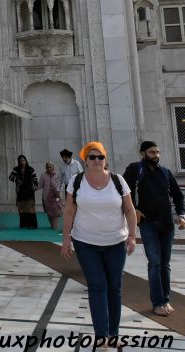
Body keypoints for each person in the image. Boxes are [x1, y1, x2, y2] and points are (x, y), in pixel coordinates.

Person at [61, 141, 137, 344]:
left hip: (115, 242)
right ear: (85, 161)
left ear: (105, 159)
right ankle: (101, 335)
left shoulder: (118, 180)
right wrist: (66, 238)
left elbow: (129, 210)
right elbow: (69, 210)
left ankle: (114, 334)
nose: (96, 160)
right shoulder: (76, 181)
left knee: (114, 287)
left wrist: (132, 236)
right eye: (92, 157)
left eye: (100, 157)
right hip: (86, 242)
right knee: (97, 285)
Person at [122, 140, 185, 317]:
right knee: (154, 263)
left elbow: (178, 196)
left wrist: (181, 214)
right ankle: (157, 303)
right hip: (148, 224)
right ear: (143, 153)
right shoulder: (136, 169)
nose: (156, 156)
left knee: (165, 264)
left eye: (157, 152)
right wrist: (134, 209)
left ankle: (165, 300)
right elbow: (123, 191)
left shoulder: (165, 172)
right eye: (152, 152)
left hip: (167, 225)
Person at [9, 155, 38, 229]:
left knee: (30, 209)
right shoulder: (16, 169)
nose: (22, 162)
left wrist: (34, 185)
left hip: (29, 192)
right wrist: (17, 180)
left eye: (23, 160)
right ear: (19, 162)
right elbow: (10, 177)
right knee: (21, 208)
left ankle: (32, 225)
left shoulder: (31, 169)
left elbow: (35, 180)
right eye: (21, 161)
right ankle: (23, 224)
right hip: (20, 192)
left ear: (26, 161)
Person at [37, 162, 63, 229]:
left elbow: (60, 184)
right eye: (47, 167)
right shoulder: (43, 175)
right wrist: (33, 189)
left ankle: (55, 225)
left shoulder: (57, 174)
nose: (49, 168)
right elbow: (39, 185)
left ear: (53, 167)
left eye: (50, 167)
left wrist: (60, 194)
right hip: (46, 197)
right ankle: (52, 225)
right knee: (49, 212)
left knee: (55, 212)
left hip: (56, 197)